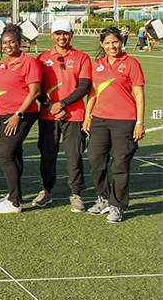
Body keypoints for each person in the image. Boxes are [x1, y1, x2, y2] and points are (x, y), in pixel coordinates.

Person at [83, 26, 145, 223]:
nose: (112, 46)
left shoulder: (131, 63)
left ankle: (117, 205)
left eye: (115, 42)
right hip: (100, 120)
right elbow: (93, 92)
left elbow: (140, 95)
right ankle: (103, 198)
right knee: (95, 160)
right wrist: (88, 115)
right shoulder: (98, 64)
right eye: (107, 43)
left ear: (122, 41)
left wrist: (140, 122)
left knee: (120, 164)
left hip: (124, 121)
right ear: (102, 44)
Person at [32, 19, 93, 212]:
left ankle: (76, 193)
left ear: (71, 35)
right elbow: (37, 86)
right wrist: (50, 106)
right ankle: (46, 190)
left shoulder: (82, 57)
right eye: (58, 33)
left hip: (74, 115)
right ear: (52, 35)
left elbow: (84, 87)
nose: (61, 37)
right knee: (47, 155)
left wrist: (62, 104)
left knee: (74, 156)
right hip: (48, 115)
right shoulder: (42, 58)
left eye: (65, 33)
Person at [0, 24, 41, 214]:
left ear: (20, 42)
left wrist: (18, 115)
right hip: (1, 114)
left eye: (12, 42)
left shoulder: (29, 62)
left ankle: (14, 203)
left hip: (19, 115)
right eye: (4, 42)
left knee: (6, 156)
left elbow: (34, 92)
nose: (8, 45)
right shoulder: (5, 63)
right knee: (15, 154)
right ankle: (14, 195)